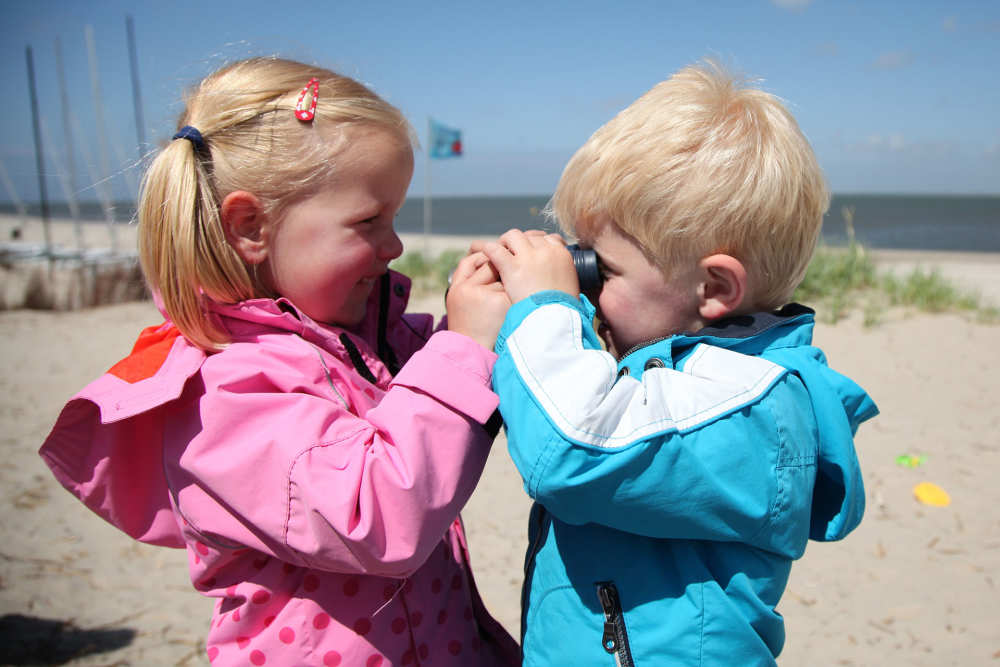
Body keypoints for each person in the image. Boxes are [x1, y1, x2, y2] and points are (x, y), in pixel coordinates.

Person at [39, 57, 518, 666]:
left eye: (394, 218)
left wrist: (499, 319)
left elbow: (433, 407)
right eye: (370, 221)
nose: (394, 247)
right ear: (250, 227)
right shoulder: (221, 394)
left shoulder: (359, 342)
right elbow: (374, 513)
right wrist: (466, 347)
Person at [480, 60, 879, 666]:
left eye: (602, 271)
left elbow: (573, 450)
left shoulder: (753, 411)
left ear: (714, 288)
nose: (586, 289)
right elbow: (602, 408)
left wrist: (543, 307)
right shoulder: (688, 379)